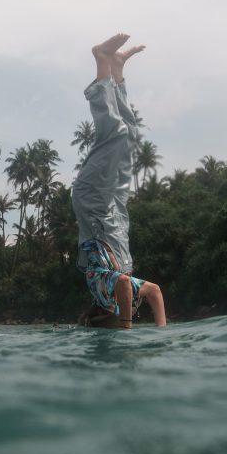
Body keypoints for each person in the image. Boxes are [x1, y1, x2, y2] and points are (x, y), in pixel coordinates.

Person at [71, 33, 167, 329]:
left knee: (116, 133)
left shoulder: (101, 289)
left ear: (102, 316)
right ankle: (117, 71)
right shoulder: (114, 291)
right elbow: (154, 291)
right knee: (131, 134)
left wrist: (126, 327)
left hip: (93, 203)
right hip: (113, 209)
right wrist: (163, 332)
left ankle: (100, 59)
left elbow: (123, 284)